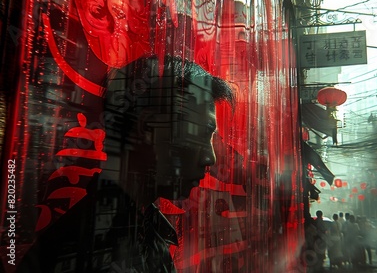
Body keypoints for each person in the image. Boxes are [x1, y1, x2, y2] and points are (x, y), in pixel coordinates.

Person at [17, 55, 236, 273]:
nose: (210, 158)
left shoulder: (137, 229)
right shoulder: (90, 250)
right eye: (199, 134)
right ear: (146, 128)